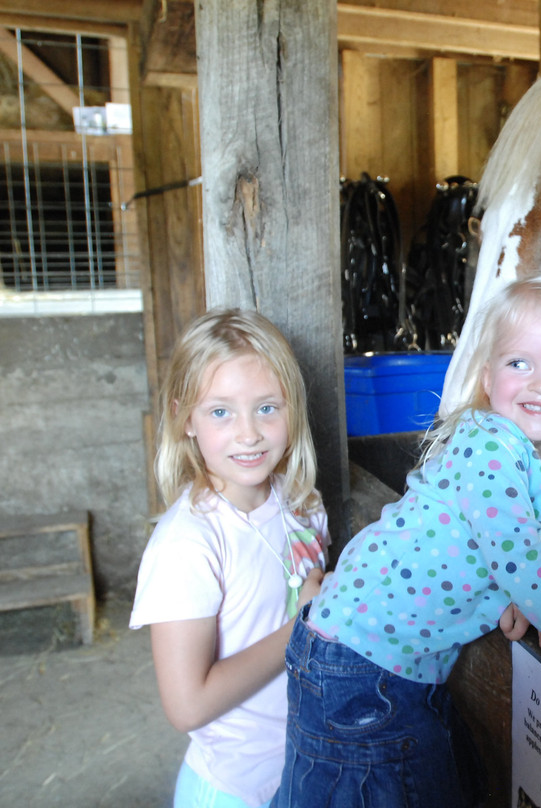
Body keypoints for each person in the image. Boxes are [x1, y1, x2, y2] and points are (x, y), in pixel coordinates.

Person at [273, 275, 541, 808]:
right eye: (520, 363)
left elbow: (515, 561)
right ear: (489, 377)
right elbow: (530, 570)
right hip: (362, 672)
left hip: (376, 664)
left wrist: (520, 600)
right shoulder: (488, 446)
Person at [130, 308, 331, 808]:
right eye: (221, 411)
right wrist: (304, 625)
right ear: (186, 420)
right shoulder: (188, 545)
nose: (249, 433)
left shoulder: (301, 503)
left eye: (268, 407)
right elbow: (187, 705)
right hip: (232, 791)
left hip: (308, 768)